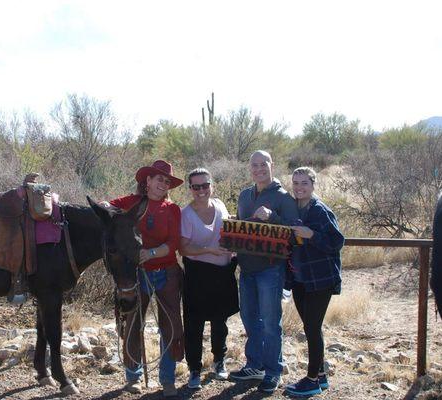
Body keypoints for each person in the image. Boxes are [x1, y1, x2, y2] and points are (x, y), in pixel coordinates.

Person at [107, 159, 184, 398]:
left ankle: (168, 379)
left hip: (167, 272)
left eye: (167, 181)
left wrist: (148, 253)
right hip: (137, 274)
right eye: (159, 179)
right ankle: (133, 377)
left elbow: (173, 245)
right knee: (133, 323)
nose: (163, 184)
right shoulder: (130, 202)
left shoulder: (172, 209)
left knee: (170, 326)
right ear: (147, 181)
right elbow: (105, 206)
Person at [229, 150, 298, 393]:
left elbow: (294, 233)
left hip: (270, 269)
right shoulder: (245, 195)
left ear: (272, 165)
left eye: (263, 164)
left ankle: (273, 370)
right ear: (250, 168)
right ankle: (255, 365)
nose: (258, 169)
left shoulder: (283, 197)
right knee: (249, 319)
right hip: (247, 268)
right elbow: (241, 227)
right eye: (254, 165)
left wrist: (274, 217)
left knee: (270, 322)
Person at [284, 167, 344, 396]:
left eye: (304, 183)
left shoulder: (320, 211)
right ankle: (320, 376)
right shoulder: (293, 208)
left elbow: (336, 242)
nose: (299, 187)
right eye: (296, 183)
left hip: (320, 279)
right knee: (311, 327)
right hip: (299, 279)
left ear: (313, 185)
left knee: (311, 328)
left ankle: (311, 381)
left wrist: (311, 235)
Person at [180, 168, 239, 390]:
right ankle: (194, 369)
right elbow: (184, 248)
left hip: (223, 273)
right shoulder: (186, 214)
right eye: (196, 186)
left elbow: (230, 231)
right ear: (190, 189)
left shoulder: (221, 206)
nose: (202, 190)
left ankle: (218, 361)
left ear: (211, 185)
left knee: (219, 321)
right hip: (197, 274)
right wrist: (210, 251)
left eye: (205, 185)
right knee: (194, 324)